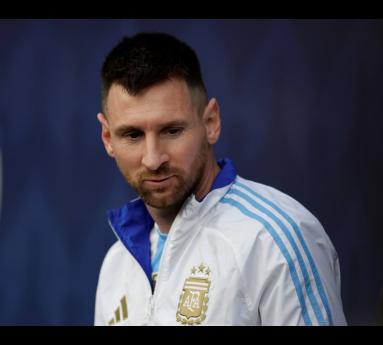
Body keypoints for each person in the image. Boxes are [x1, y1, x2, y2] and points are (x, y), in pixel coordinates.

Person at [94, 32, 346, 326]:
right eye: (133, 135)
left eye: (172, 131)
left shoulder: (275, 239)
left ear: (210, 123)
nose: (153, 158)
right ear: (108, 138)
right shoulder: (117, 264)